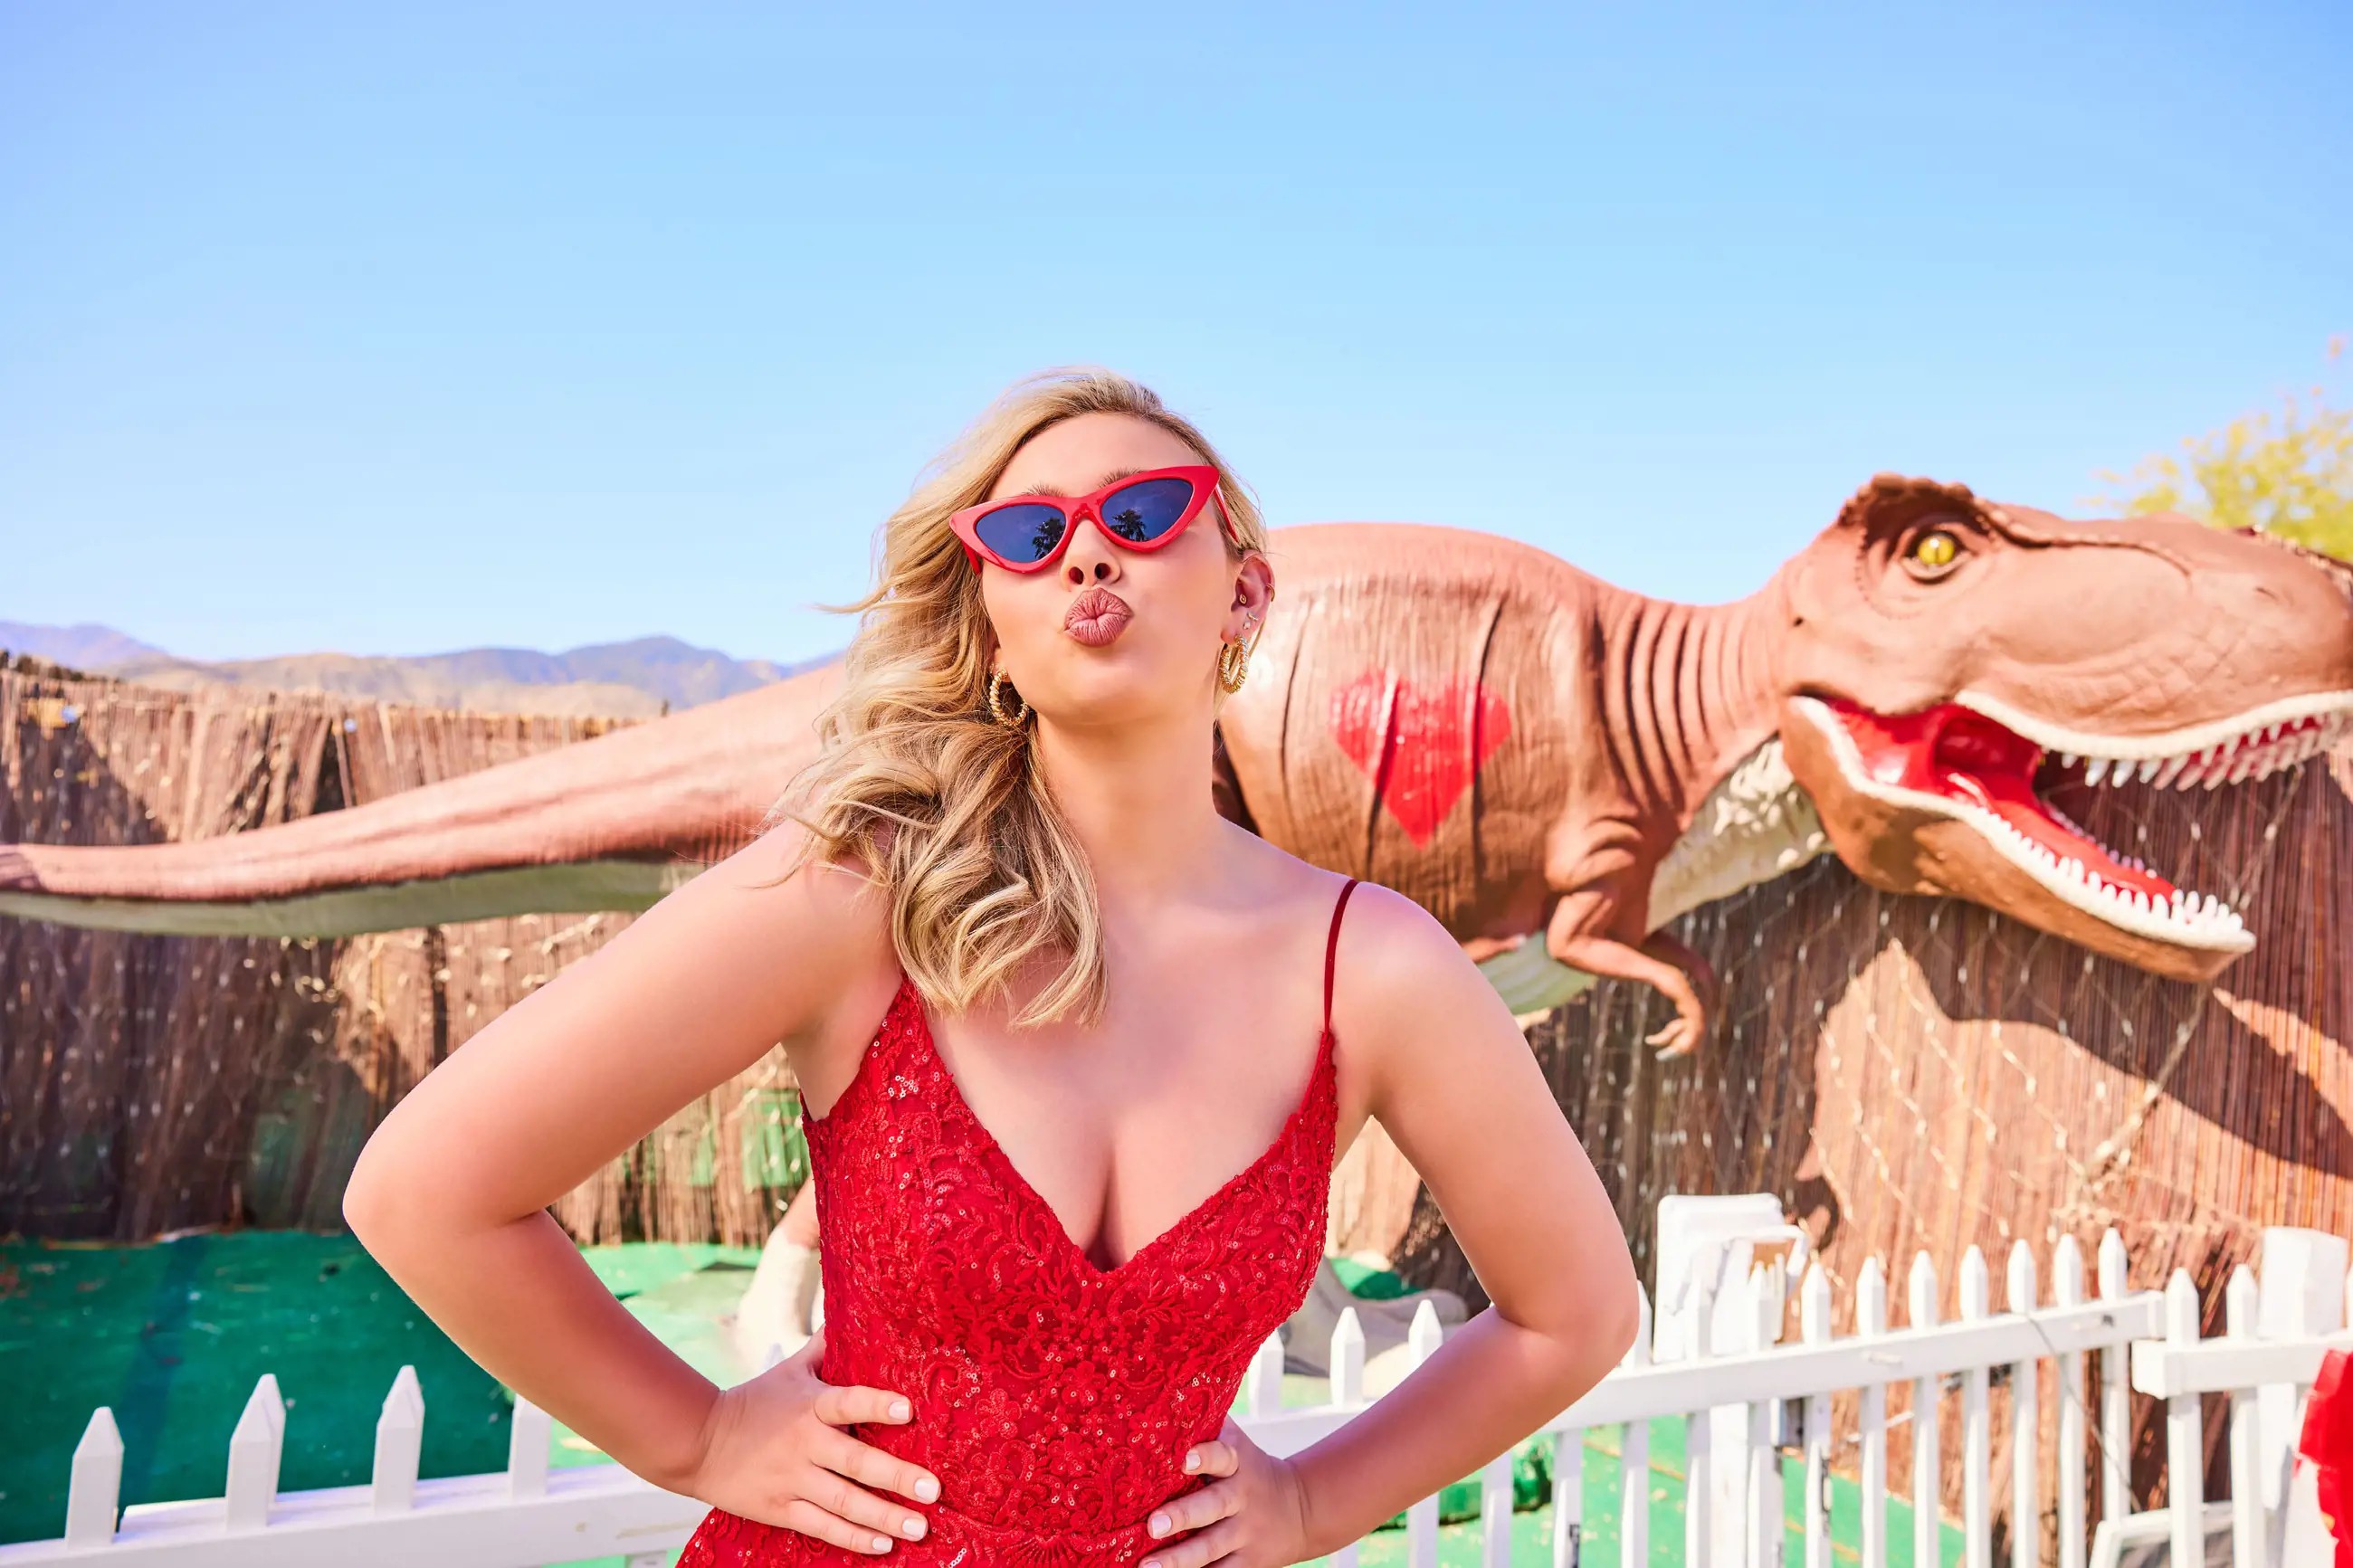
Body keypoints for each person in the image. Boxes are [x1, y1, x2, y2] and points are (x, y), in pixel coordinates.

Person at [343, 366, 1641, 1567]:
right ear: (991, 621)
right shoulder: (858, 897)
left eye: (1142, 511)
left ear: (1245, 591)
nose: (1087, 547)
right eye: (1027, 535)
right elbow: (425, 1190)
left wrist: (1311, 1501)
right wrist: (695, 1437)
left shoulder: (1372, 970)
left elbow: (1572, 1314)